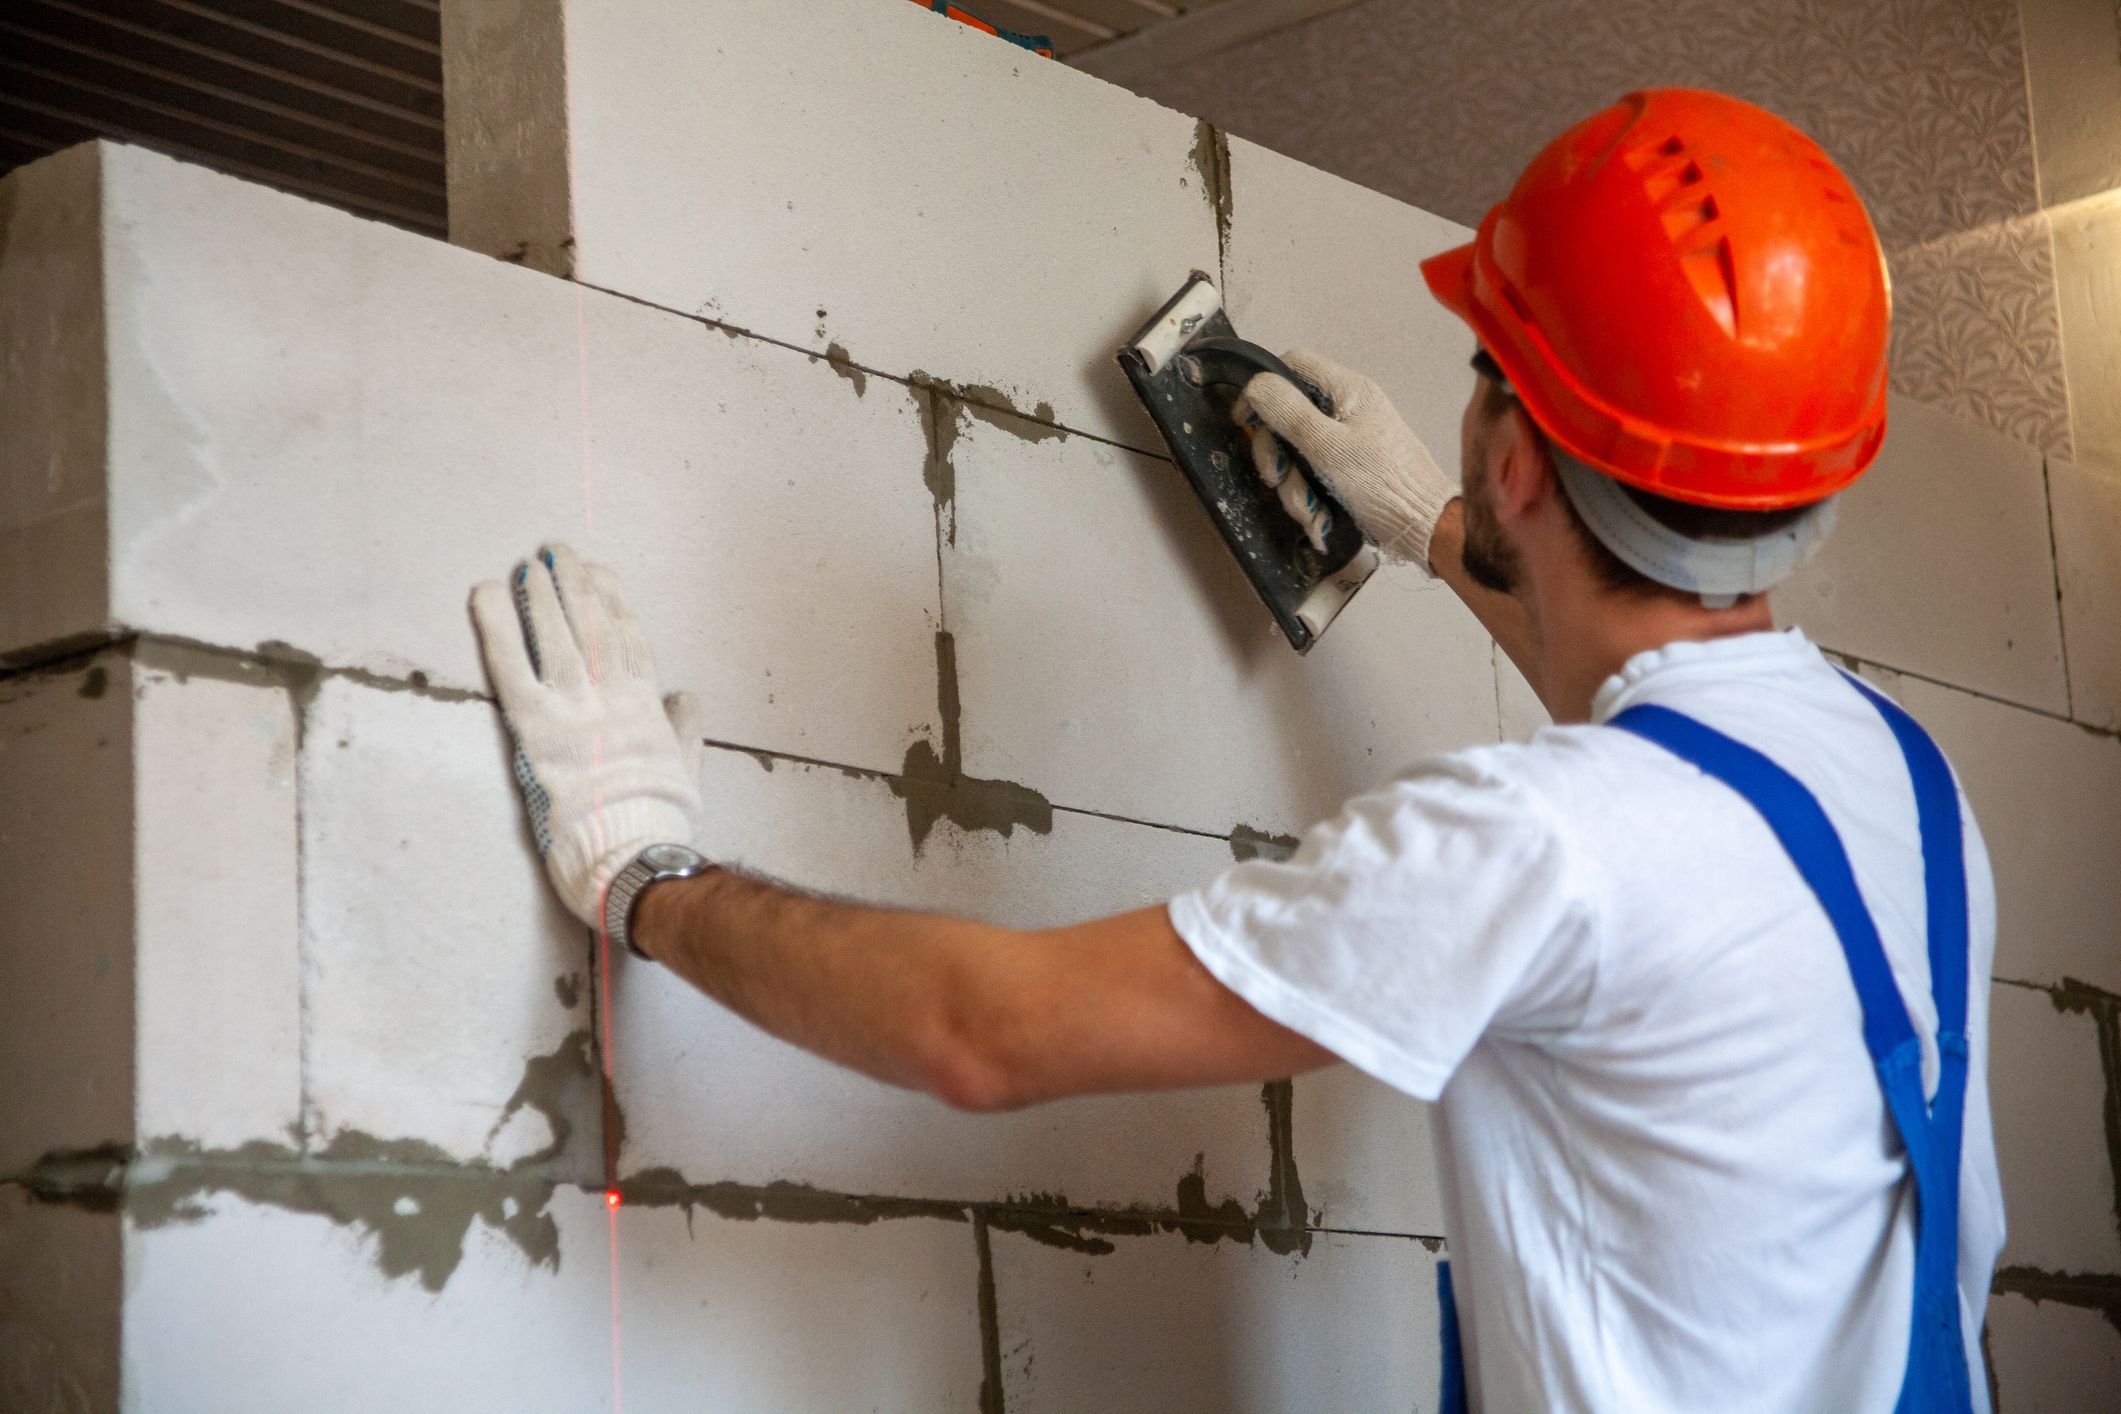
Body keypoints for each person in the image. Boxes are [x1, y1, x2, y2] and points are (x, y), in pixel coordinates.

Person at [469, 88, 2001, 1412]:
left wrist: (644, 870)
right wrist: (1425, 526)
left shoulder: (1532, 838)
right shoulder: (1906, 787)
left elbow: (978, 1031)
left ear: (1521, 452)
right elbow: (1674, 759)